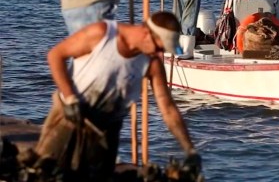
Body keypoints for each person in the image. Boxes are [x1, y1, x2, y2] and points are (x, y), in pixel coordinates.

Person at [35, 11, 202, 180]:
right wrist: (70, 98)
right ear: (146, 34)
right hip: (68, 118)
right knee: (45, 173)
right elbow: (55, 55)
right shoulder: (101, 34)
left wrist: (189, 149)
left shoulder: (152, 62)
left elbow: (168, 108)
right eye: (159, 48)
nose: (159, 54)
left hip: (106, 132)